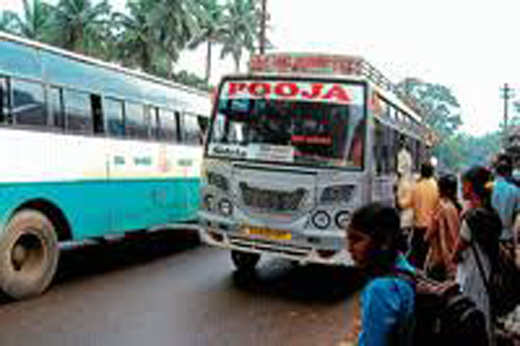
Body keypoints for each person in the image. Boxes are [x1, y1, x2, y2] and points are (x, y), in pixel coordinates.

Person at [346, 203, 415, 345]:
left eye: (357, 239)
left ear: (384, 241)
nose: (349, 248)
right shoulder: (402, 265)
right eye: (348, 239)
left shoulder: (379, 289)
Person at [454, 166, 501, 345]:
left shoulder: (471, 218)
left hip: (470, 277)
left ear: (472, 188)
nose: (462, 189)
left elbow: (455, 254)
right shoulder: (492, 214)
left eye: (464, 185)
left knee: (469, 319)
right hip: (487, 275)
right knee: (484, 318)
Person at [424, 174, 461, 281]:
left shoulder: (441, 207)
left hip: (440, 260)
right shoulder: (456, 207)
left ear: (440, 189)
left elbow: (428, 235)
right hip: (454, 259)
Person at [408, 161, 439, 268]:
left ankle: (415, 275)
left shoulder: (416, 186)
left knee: (416, 255)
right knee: (427, 255)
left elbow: (409, 203)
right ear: (432, 172)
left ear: (421, 172)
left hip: (418, 226)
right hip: (431, 226)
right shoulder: (436, 186)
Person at [491, 154, 520, 259]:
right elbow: (516, 216)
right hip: (509, 236)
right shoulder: (515, 190)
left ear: (497, 172)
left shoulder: (489, 188)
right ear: (509, 172)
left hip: (492, 237)